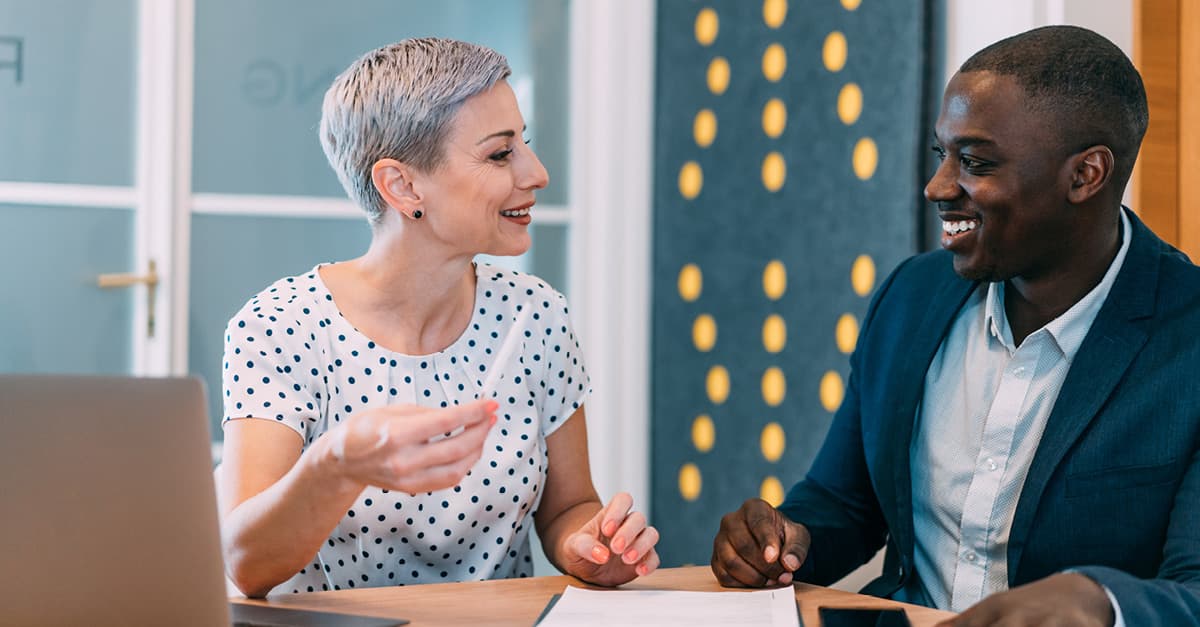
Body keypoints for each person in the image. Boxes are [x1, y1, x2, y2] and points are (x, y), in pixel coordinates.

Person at [711, 25, 1200, 626]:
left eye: (974, 162)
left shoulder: (1188, 335)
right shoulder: (910, 296)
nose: (938, 187)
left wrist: (1100, 601)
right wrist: (785, 539)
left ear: (1085, 175)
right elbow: (845, 503)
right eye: (940, 154)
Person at [217, 38, 659, 597]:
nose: (538, 173)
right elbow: (248, 565)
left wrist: (589, 547)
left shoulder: (537, 315)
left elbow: (569, 506)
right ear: (402, 186)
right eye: (500, 154)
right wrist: (337, 464)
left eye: (524, 144)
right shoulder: (281, 327)